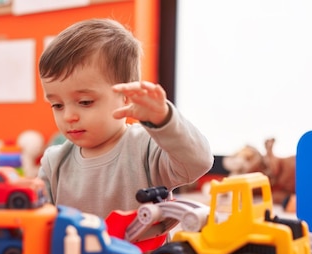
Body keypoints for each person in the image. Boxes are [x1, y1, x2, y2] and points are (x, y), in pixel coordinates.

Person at [37, 18, 213, 220]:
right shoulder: (54, 162)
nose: (68, 116)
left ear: (126, 97)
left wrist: (164, 120)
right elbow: (40, 221)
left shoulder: (146, 147)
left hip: (144, 252)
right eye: (57, 105)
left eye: (85, 102)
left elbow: (199, 162)